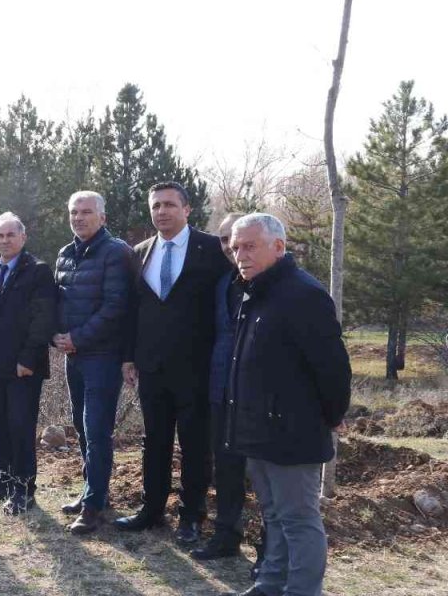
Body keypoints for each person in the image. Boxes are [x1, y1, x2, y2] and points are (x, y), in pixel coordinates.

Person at [221, 214, 350, 596]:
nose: (239, 255)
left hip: (294, 430)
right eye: (235, 247)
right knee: (273, 515)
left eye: (249, 246)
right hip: (257, 428)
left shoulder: (303, 294)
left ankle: (303, 590)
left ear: (279, 247)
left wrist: (334, 414)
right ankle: (271, 584)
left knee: (298, 519)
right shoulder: (252, 290)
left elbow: (332, 368)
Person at [115, 182, 228, 544]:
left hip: (197, 367)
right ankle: (151, 510)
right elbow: (134, 310)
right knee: (155, 441)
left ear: (187, 209)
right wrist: (128, 356)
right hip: (152, 367)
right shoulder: (139, 253)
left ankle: (191, 516)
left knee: (195, 444)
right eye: (156, 206)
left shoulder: (212, 250)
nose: (161, 211)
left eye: (169, 205)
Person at [53, 190, 135, 534]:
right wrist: (55, 335)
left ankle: (93, 506)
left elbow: (116, 307)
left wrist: (78, 338)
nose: (79, 218)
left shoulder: (115, 253)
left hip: (102, 355)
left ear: (102, 217)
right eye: (74, 212)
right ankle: (93, 492)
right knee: (81, 426)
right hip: (73, 356)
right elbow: (56, 301)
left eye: (86, 212)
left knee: (97, 430)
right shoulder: (65, 253)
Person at [0, 213, 56, 514]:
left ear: (23, 237)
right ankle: (0, 483)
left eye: (10, 235)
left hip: (21, 368)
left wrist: (28, 358)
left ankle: (23, 490)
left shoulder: (37, 271)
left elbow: (42, 319)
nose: (4, 240)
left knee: (20, 428)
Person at [191, 212, 255, 560]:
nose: (232, 246)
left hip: (258, 396)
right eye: (225, 239)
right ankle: (226, 537)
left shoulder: (269, 284)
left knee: (261, 475)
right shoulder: (223, 284)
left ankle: (271, 547)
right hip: (220, 390)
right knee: (226, 469)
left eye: (239, 239)